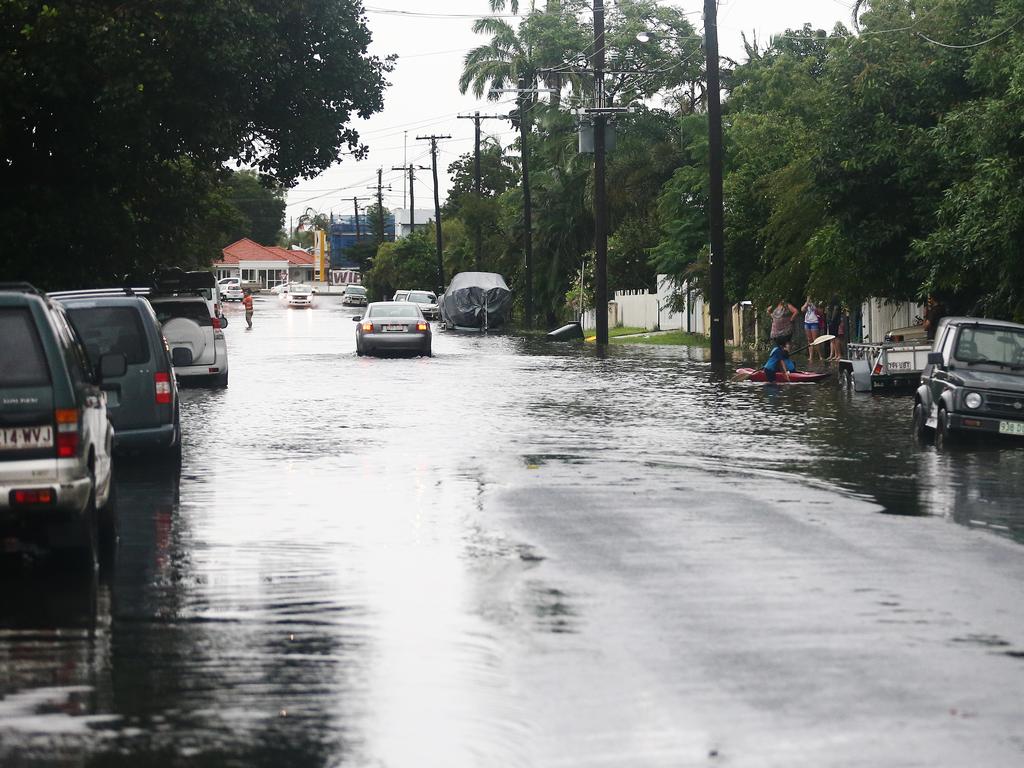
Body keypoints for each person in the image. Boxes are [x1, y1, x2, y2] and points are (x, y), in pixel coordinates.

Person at [801, 297, 820, 362]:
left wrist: (812, 305)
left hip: (814, 322)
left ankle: (820, 355)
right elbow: (802, 310)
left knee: (816, 340)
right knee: (809, 340)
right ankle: (811, 356)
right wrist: (806, 304)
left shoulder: (816, 303)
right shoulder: (807, 304)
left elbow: (819, 311)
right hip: (807, 322)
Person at [826, 296, 843, 361]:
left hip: (834, 322)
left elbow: (835, 311)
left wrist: (832, 320)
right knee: (832, 339)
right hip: (831, 322)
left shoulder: (835, 303)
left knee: (836, 338)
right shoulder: (830, 304)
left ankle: (839, 354)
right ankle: (836, 354)